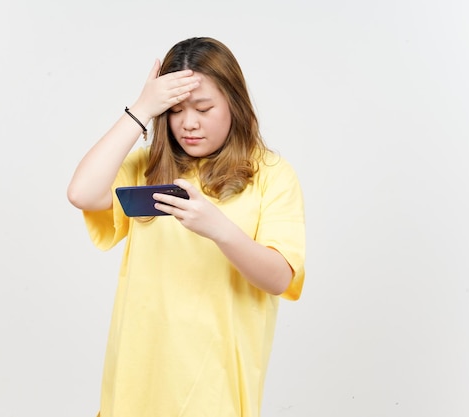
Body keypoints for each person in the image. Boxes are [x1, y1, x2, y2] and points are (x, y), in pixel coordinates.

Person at [67, 36, 306, 417]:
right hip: (137, 382)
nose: (189, 123)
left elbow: (280, 278)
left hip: (216, 387)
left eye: (204, 107)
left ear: (235, 105)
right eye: (175, 110)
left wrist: (219, 229)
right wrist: (141, 109)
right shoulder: (148, 168)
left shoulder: (271, 175)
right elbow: (81, 193)